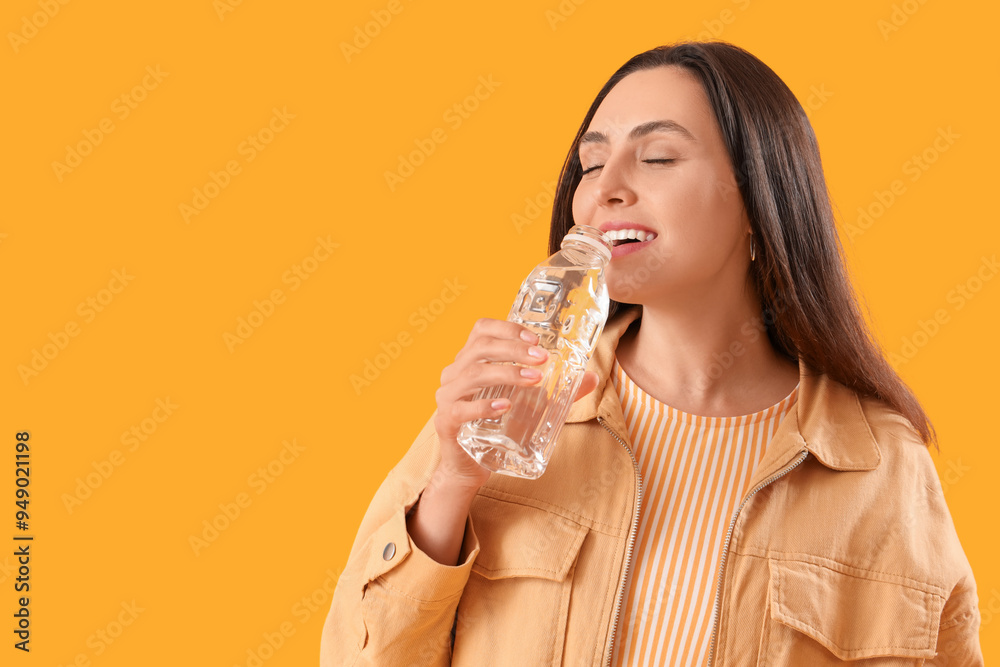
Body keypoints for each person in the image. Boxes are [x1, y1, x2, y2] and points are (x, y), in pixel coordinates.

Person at [321, 41, 984, 666]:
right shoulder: (507, 412)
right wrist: (452, 483)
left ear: (760, 199)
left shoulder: (878, 467)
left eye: (658, 157)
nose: (604, 188)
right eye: (590, 163)